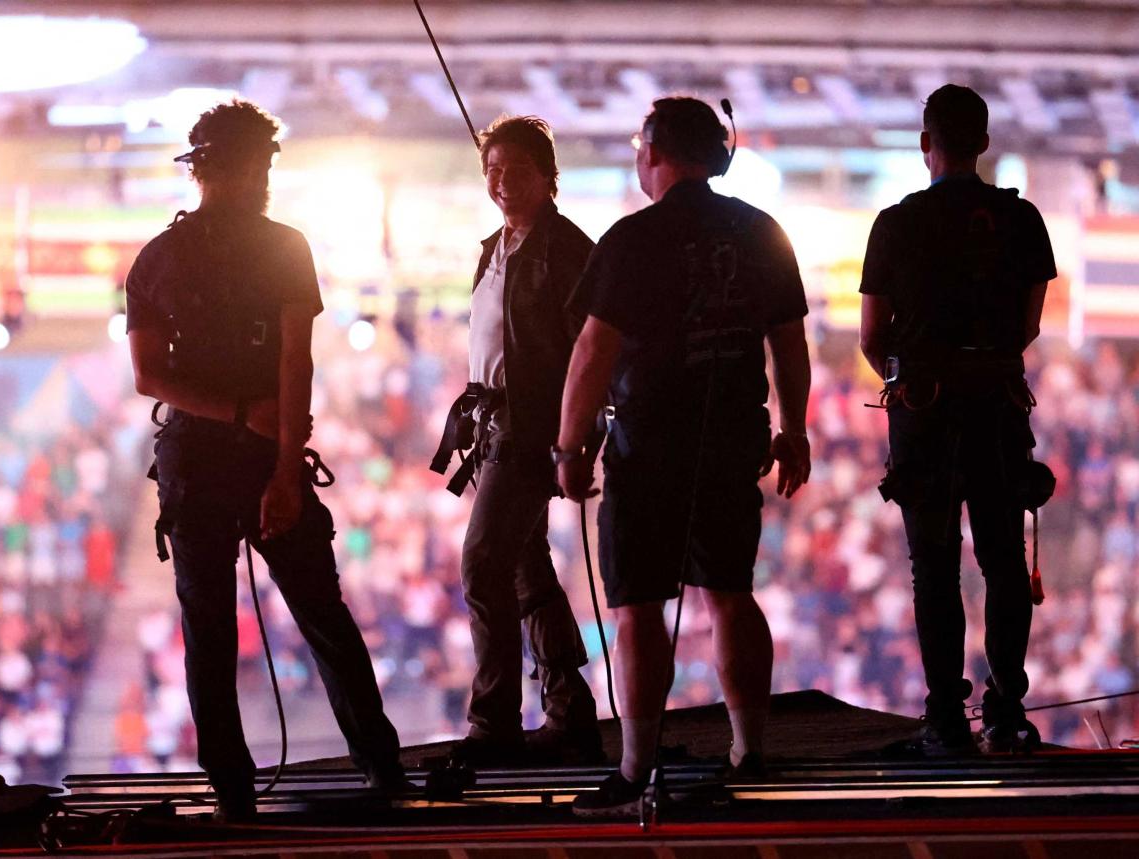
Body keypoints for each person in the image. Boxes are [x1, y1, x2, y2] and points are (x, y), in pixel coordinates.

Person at [126, 99, 403, 820]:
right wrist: (279, 460)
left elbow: (152, 377)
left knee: (209, 627)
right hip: (260, 450)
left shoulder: (159, 258)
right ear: (246, 167)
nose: (266, 177)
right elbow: (291, 363)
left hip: (196, 458)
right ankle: (380, 765)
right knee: (321, 614)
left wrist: (248, 428)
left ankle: (233, 789)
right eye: (262, 165)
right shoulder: (284, 246)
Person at [557, 97, 812, 814]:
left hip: (647, 446)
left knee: (639, 606)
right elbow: (788, 345)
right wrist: (794, 428)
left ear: (654, 154)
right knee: (731, 592)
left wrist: (570, 445)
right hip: (735, 440)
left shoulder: (632, 238)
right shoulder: (762, 231)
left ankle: (636, 769)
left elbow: (592, 352)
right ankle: (750, 750)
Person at [859, 84, 1056, 756]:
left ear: (926, 145)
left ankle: (945, 718)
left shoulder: (896, 222)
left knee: (935, 569)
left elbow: (869, 336)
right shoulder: (1022, 221)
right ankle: (1006, 711)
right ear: (984, 143)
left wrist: (914, 376)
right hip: (997, 411)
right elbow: (1027, 325)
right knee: (1003, 562)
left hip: (927, 415)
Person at [434, 115, 602, 767]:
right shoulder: (494, 246)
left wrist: (574, 440)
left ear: (548, 177)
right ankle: (568, 708)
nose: (501, 183)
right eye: (492, 170)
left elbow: (593, 351)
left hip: (534, 426)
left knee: (482, 562)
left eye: (517, 170)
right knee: (524, 565)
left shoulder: (565, 250)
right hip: (495, 423)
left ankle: (494, 720)